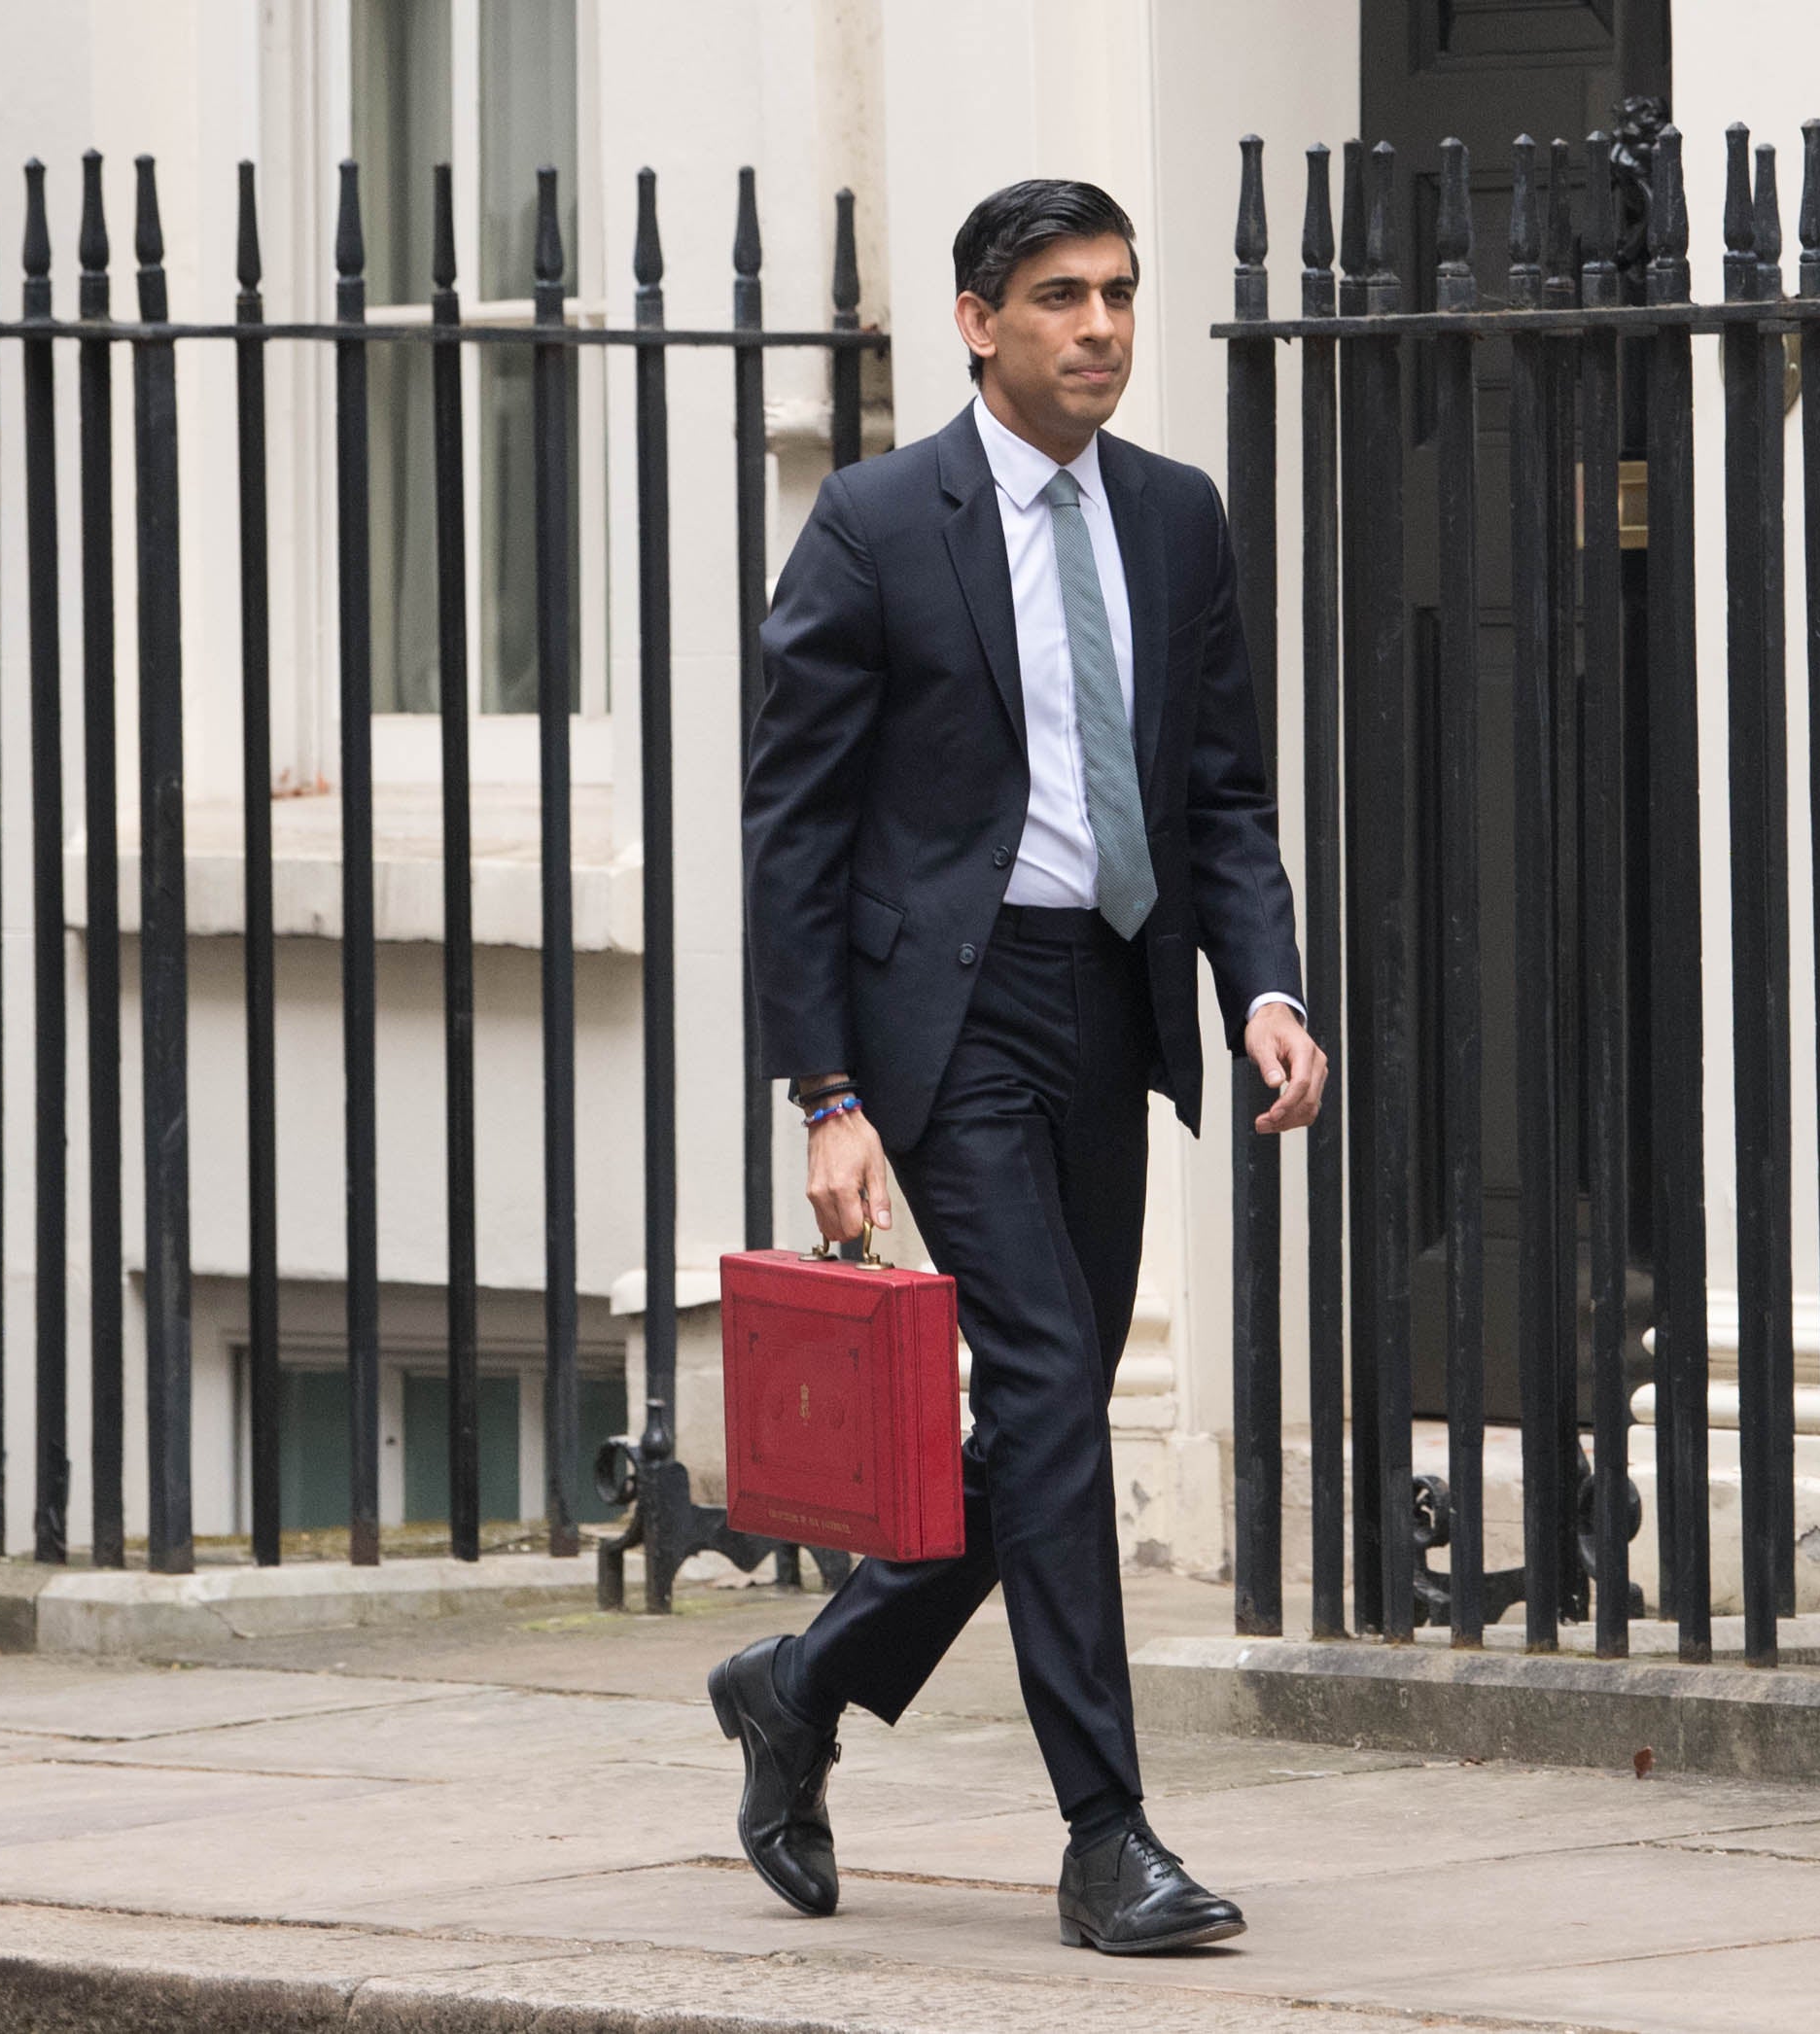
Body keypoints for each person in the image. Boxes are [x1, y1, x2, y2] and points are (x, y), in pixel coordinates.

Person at [718, 177, 1325, 1955]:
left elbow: (1220, 790)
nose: (1102, 327)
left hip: (1108, 1002)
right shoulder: (876, 523)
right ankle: (1106, 1832)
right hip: (948, 1020)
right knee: (1056, 1386)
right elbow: (793, 831)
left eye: (1119, 294)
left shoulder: (1175, 519)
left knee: (1038, 1423)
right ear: (980, 322)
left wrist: (1264, 989)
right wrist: (824, 1095)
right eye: (1061, 296)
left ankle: (798, 1680)